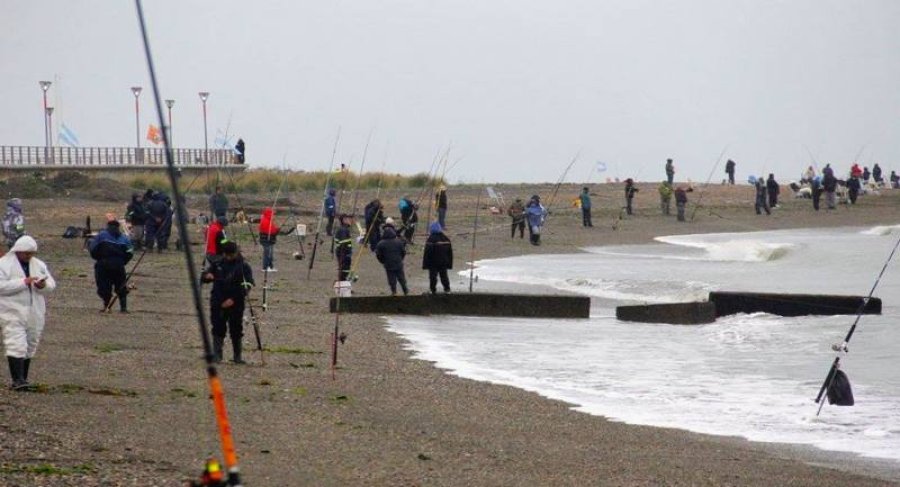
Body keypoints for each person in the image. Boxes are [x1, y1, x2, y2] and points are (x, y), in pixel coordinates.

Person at [0, 236, 56, 390]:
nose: (29, 256)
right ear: (18, 250)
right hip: (11, 311)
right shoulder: (4, 264)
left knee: (31, 343)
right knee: (16, 343)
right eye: (26, 253)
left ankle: (23, 378)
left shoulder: (39, 265)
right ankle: (17, 380)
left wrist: (43, 285)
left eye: (31, 253)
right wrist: (23, 282)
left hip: (35, 310)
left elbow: (51, 284)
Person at [201, 241, 254, 364]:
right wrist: (206, 276)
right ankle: (217, 355)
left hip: (236, 303)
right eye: (226, 255)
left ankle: (237, 356)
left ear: (236, 252)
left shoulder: (244, 266)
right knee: (217, 328)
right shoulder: (217, 264)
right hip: (217, 301)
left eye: (231, 255)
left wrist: (233, 299)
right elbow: (204, 277)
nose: (229, 257)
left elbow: (248, 285)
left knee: (236, 329)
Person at [89, 218, 134, 313]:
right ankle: (123, 308)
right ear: (118, 227)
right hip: (119, 266)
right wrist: (123, 262)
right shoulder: (124, 238)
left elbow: (93, 249)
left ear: (108, 226)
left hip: (103, 264)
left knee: (104, 286)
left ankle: (106, 305)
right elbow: (130, 252)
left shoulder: (101, 235)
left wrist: (99, 259)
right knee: (121, 285)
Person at [375, 226, 409, 296]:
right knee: (401, 277)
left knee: (391, 278)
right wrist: (400, 259)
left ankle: (394, 291)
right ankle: (405, 290)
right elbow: (403, 252)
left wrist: (383, 261)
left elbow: (378, 255)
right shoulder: (399, 242)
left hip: (388, 264)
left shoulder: (381, 244)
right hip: (398, 263)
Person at [422, 222, 452, 294]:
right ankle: (447, 289)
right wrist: (449, 263)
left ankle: (433, 290)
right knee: (444, 276)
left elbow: (427, 253)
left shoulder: (430, 239)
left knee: (433, 277)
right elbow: (450, 253)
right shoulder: (446, 238)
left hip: (433, 263)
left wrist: (426, 264)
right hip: (443, 262)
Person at [334, 214, 353, 281]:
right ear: (344, 220)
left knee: (345, 269)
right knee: (344, 269)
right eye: (348, 219)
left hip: (345, 254)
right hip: (344, 254)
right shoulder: (343, 230)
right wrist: (345, 254)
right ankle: (342, 282)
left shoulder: (345, 229)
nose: (350, 221)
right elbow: (343, 244)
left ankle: (344, 281)